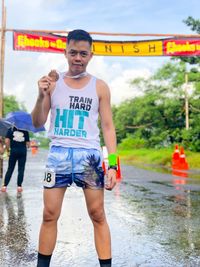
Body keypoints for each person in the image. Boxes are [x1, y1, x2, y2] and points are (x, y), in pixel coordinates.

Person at [31, 29, 117, 267]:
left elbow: (108, 128)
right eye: (73, 53)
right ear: (65, 52)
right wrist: (41, 95)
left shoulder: (100, 87)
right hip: (58, 155)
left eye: (83, 53)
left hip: (89, 157)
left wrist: (113, 165)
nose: (77, 58)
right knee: (49, 214)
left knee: (98, 214)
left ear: (91, 55)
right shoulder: (53, 83)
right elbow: (37, 122)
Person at [1, 127, 30, 193]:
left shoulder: (10, 129)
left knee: (10, 169)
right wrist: (26, 145)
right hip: (22, 152)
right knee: (21, 169)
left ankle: (4, 186)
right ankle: (19, 187)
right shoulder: (25, 130)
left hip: (13, 151)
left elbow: (7, 141)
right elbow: (28, 144)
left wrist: (8, 149)